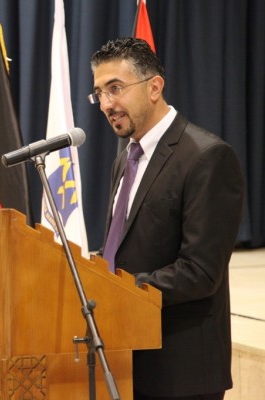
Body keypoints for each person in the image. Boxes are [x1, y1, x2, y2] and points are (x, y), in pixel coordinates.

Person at [89, 37, 244, 399]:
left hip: (180, 372)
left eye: (115, 88)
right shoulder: (125, 158)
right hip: (127, 357)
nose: (107, 104)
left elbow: (201, 272)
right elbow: (124, 248)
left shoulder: (207, 156)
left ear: (154, 87)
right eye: (99, 93)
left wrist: (118, 290)